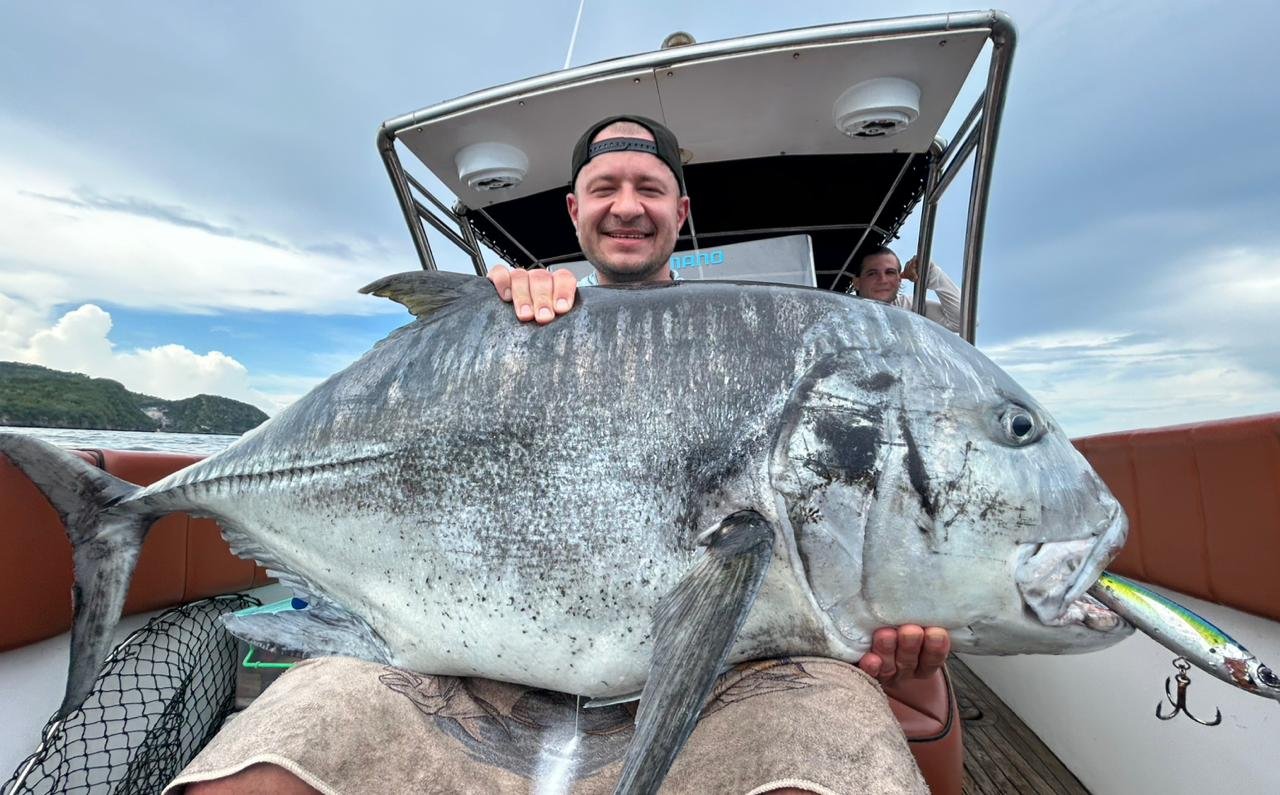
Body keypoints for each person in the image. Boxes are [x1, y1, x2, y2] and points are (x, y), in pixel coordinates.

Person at [172, 117, 949, 795]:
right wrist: (481, 328)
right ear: (575, 211)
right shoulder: (525, 319)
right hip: (477, 662)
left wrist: (903, 601)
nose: (627, 205)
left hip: (725, 682)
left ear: (680, 210)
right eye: (604, 186)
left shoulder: (758, 340)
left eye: (649, 187)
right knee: (258, 773)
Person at [851, 244, 962, 332]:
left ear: (899, 280)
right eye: (872, 273)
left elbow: (960, 322)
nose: (883, 280)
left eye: (890, 272)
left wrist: (931, 273)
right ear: (857, 282)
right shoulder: (845, 312)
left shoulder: (908, 306)